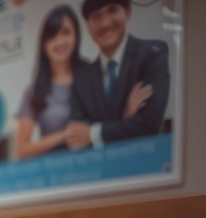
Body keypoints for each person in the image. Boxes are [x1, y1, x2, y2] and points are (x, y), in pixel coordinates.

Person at [66, 0, 169, 149]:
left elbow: (149, 125)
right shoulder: (80, 79)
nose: (105, 23)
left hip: (146, 164)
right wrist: (126, 118)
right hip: (100, 170)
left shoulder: (152, 54)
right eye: (96, 16)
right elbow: (76, 140)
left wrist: (92, 134)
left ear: (127, 12)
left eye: (112, 10)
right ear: (87, 24)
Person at [15, 5, 85, 159]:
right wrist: (64, 136)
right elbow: (21, 149)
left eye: (65, 33)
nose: (59, 42)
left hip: (97, 167)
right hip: (54, 172)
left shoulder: (91, 76)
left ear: (76, 35)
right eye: (52, 36)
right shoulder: (34, 91)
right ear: (44, 44)